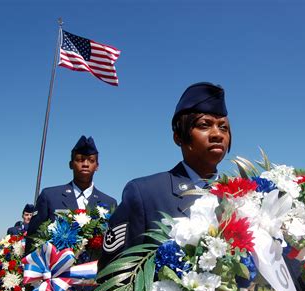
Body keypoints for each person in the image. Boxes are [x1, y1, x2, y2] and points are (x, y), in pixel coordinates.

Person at [99, 82, 231, 268]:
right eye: (204, 125)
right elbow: (113, 274)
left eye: (223, 127)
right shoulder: (145, 194)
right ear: (178, 136)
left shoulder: (241, 198)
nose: (217, 134)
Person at [27, 135, 117, 251]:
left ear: (97, 166)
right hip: (56, 268)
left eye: (91, 160)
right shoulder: (50, 196)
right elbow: (33, 239)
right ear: (70, 164)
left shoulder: (109, 203)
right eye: (80, 159)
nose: (85, 164)